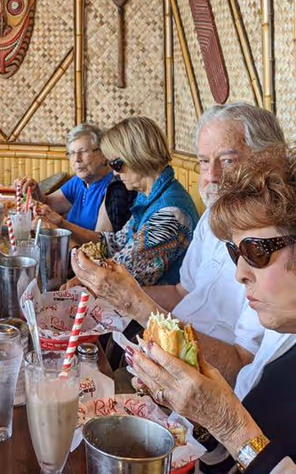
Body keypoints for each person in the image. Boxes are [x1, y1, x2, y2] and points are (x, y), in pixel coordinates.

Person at [71, 103, 285, 383]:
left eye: (228, 160)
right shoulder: (211, 218)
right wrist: (112, 296)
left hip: (199, 387)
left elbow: (243, 370)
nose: (211, 177)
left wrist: (135, 304)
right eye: (205, 162)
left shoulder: (277, 253)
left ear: (267, 162)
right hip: (157, 361)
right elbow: (182, 292)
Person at [128, 147, 296, 473]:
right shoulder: (280, 352)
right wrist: (199, 414)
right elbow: (230, 463)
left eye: (255, 251)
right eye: (236, 254)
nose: (240, 273)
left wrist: (231, 425)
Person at [63, 116, 198, 286]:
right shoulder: (149, 195)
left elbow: (120, 275)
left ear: (137, 157)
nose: (114, 173)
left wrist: (77, 270)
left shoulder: (169, 215)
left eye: (116, 164)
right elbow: (115, 242)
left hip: (160, 309)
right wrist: (60, 223)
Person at [18, 123, 136, 235]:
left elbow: (102, 244)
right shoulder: (79, 182)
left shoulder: (115, 188)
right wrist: (34, 190)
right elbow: (48, 204)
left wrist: (59, 225)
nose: (76, 159)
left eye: (83, 152)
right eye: (72, 153)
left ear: (103, 154)